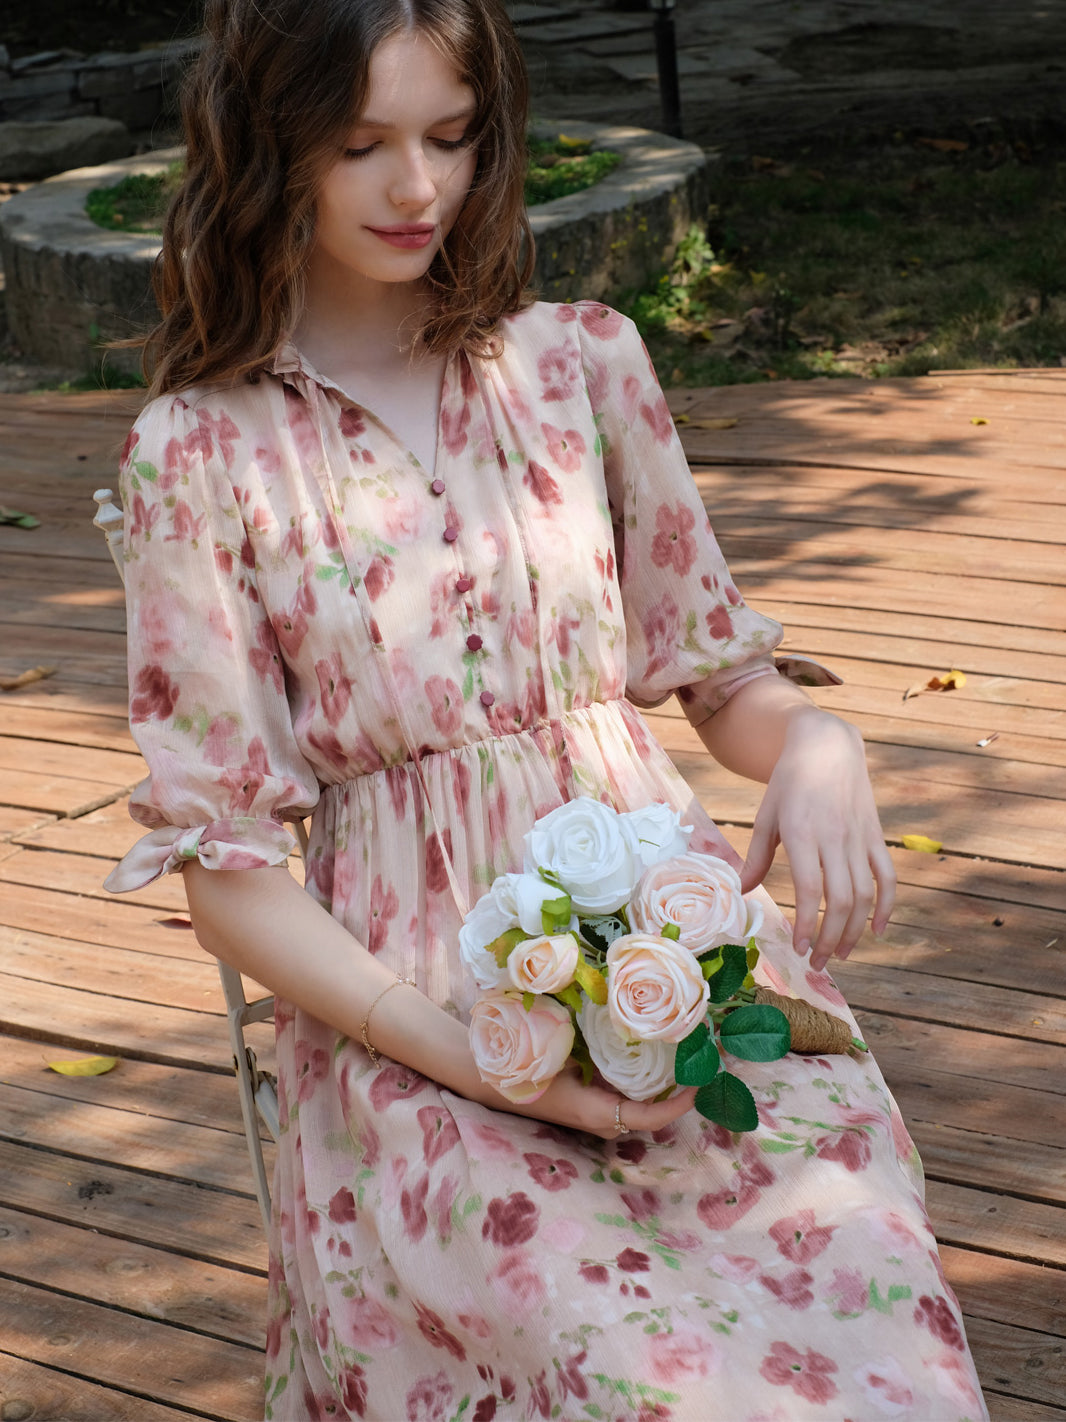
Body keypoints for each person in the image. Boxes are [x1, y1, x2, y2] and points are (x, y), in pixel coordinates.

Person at [105, 0, 988, 1417]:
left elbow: (719, 676)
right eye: (360, 146)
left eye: (450, 137)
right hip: (414, 1023)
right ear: (268, 153)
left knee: (861, 1303)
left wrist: (818, 742)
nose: (418, 189)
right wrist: (478, 1060)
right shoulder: (200, 451)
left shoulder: (581, 363)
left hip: (676, 977)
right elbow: (225, 872)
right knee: (623, 1368)